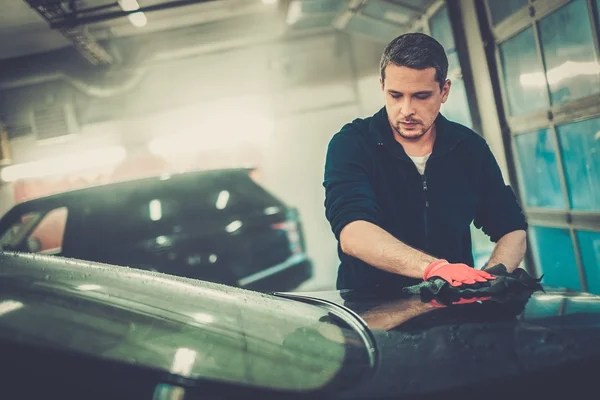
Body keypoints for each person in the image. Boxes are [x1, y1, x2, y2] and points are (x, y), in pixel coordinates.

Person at [323, 33, 528, 291]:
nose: (406, 109)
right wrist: (435, 268)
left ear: (444, 91)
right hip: (372, 314)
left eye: (421, 96)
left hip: (451, 312)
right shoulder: (352, 144)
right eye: (395, 95)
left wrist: (489, 279)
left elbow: (512, 229)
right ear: (382, 87)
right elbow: (353, 233)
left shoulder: (469, 148)